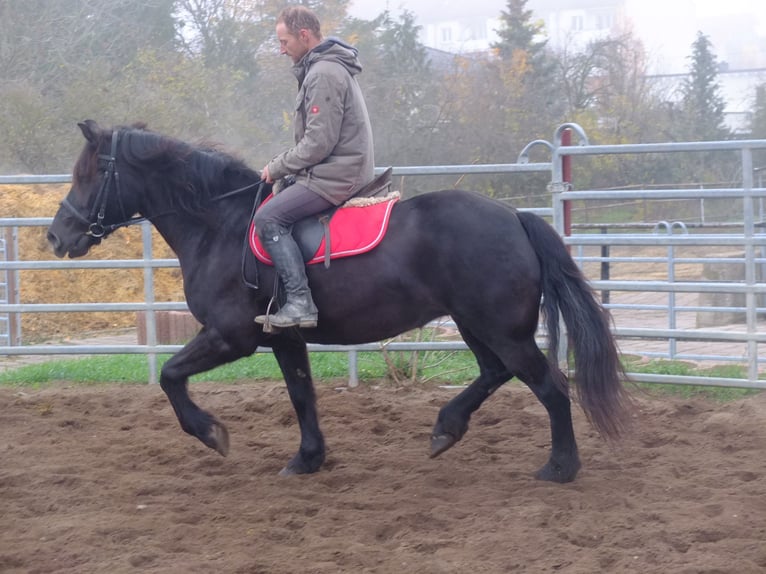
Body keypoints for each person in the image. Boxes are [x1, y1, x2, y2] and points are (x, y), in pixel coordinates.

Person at [253, 6, 375, 329]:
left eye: (284, 42)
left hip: (337, 175)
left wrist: (276, 167)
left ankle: (299, 302)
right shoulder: (324, 69)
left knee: (268, 217)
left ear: (304, 36)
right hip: (333, 169)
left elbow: (318, 143)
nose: (281, 50)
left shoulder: (323, 73)